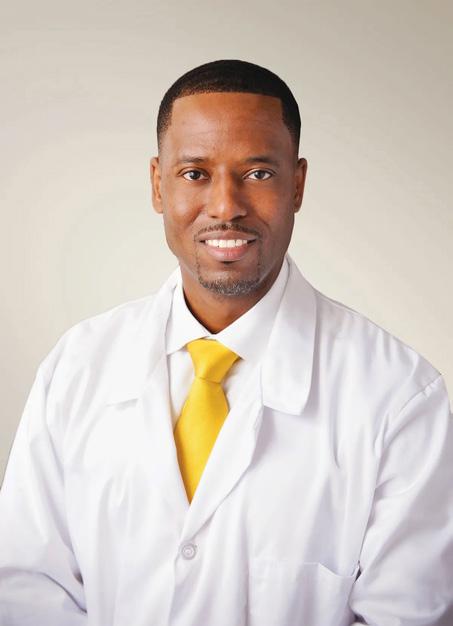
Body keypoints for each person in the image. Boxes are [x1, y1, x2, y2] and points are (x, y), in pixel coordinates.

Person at [0, 59, 452, 626]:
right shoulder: (76, 367)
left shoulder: (399, 397)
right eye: (195, 173)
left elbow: (407, 614)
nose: (225, 206)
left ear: (298, 185)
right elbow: (27, 588)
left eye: (258, 173)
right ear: (157, 184)